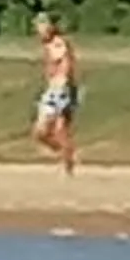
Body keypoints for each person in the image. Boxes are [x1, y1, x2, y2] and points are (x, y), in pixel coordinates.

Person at [33, 14, 79, 175]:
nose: (39, 30)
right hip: (54, 89)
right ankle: (67, 156)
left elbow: (65, 65)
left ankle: (67, 163)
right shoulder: (49, 44)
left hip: (59, 90)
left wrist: (62, 86)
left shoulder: (57, 44)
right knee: (42, 133)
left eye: (42, 26)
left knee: (55, 129)